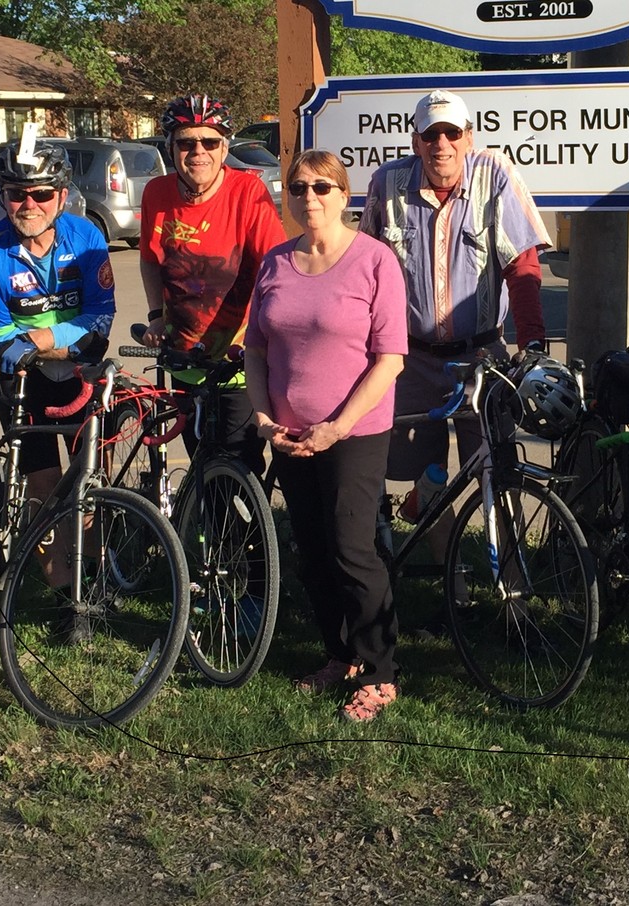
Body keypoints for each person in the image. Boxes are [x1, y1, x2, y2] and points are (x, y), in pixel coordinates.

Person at [246, 151, 407, 722]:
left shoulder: (374, 260)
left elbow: (389, 359)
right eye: (297, 188)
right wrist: (265, 421)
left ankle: (380, 670)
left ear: (345, 196)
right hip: (289, 434)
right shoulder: (275, 263)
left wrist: (336, 426)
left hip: (354, 431)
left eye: (322, 187)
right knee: (312, 551)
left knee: (352, 549)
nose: (308, 197)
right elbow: (257, 350)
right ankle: (340, 655)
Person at [358, 88, 551, 503]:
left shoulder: (495, 173)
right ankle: (446, 562)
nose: (441, 145)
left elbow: (522, 266)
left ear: (469, 137)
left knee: (497, 475)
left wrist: (532, 342)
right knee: (418, 479)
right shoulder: (386, 183)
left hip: (481, 356)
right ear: (415, 142)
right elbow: (363, 275)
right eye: (430, 135)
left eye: (451, 133)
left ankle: (509, 567)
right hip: (410, 358)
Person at [0, 138, 116, 609]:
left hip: (81, 373)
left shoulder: (86, 237)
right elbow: (1, 342)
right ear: (2, 196)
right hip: (22, 382)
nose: (28, 204)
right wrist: (56, 340)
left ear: (62, 195)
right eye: (16, 193)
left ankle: (96, 578)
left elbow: (100, 322)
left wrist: (39, 339)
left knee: (91, 481)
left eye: (41, 194)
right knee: (42, 488)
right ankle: (64, 593)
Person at [138, 94, 285, 476]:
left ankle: (248, 537)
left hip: (238, 360)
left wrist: (254, 333)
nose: (198, 151)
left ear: (224, 147)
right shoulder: (156, 193)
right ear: (171, 148)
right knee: (201, 464)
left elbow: (275, 269)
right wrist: (156, 316)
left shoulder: (248, 192)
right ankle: (200, 531)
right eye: (186, 142)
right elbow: (151, 259)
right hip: (183, 356)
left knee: (240, 467)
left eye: (210, 142)